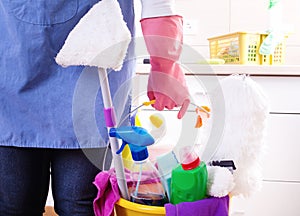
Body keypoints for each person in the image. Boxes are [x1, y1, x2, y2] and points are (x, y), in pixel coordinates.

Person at [0, 0, 189, 215]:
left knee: (79, 203)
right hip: (12, 70)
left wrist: (164, 66)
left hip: (96, 81)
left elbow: (157, 4)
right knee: (14, 203)